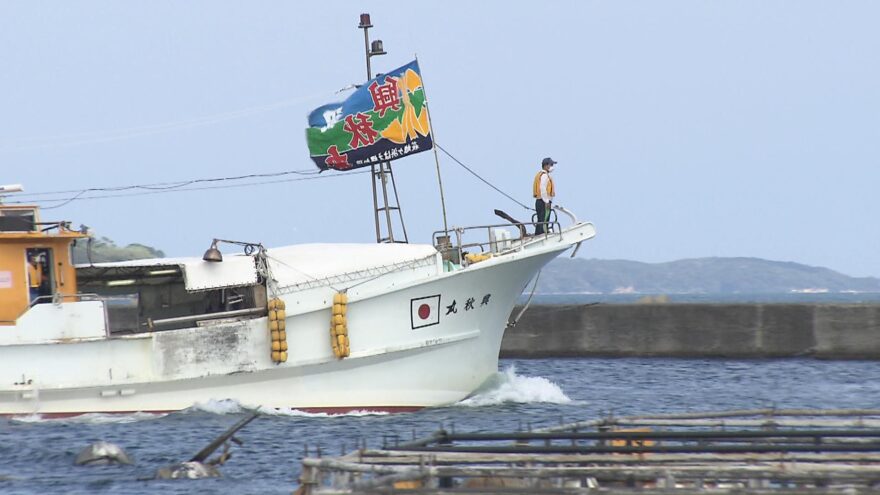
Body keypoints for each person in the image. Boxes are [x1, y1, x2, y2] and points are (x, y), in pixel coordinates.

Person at [532, 157, 556, 235]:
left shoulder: (541, 175)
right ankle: (542, 234)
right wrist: (546, 201)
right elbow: (542, 188)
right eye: (551, 164)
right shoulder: (544, 176)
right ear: (546, 166)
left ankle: (540, 233)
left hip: (540, 201)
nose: (552, 166)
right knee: (543, 219)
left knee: (541, 219)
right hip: (543, 201)